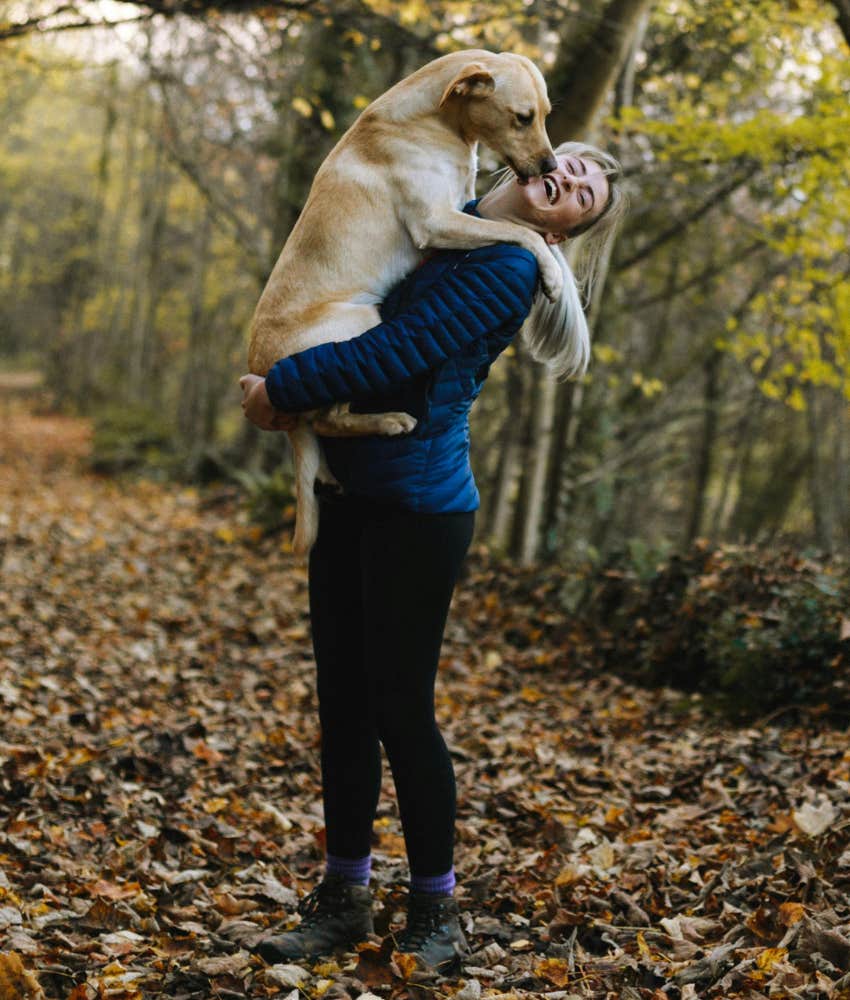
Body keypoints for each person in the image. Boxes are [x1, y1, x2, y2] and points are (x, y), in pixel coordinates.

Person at [240, 140, 626, 970]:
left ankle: (435, 912)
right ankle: (343, 900)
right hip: (347, 491)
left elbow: (398, 353)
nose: (568, 180)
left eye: (583, 195)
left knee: (399, 709)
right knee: (343, 705)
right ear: (531, 162)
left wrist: (284, 391)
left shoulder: (508, 268)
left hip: (418, 511)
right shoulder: (441, 220)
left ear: (562, 232)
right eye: (571, 165)